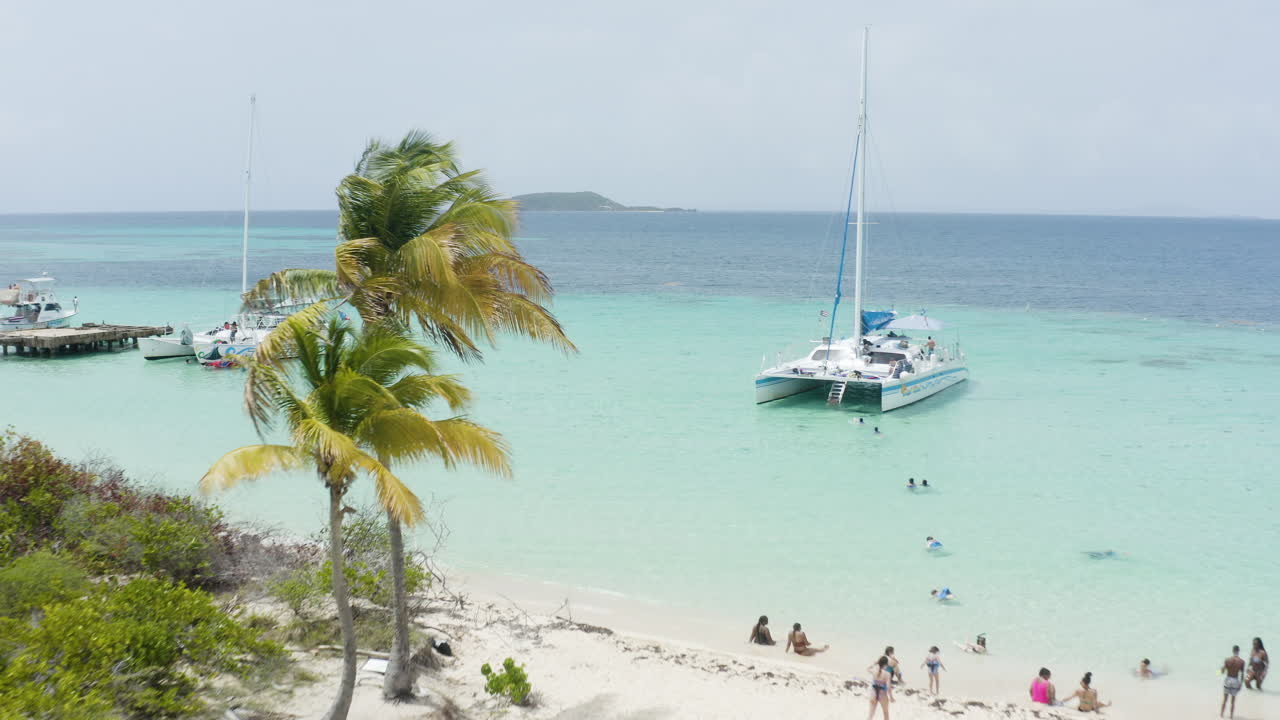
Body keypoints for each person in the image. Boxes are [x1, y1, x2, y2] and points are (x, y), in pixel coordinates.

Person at [866, 655, 893, 720]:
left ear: (879, 663)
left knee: (870, 715)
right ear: (886, 664)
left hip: (873, 694)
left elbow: (867, 668)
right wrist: (891, 697)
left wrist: (875, 663)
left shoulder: (874, 671)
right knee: (886, 713)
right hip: (882, 695)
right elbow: (888, 687)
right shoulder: (887, 674)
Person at [1222, 645, 1245, 718]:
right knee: (1233, 701)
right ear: (1238, 651)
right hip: (1235, 680)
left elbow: (1222, 671)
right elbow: (1242, 674)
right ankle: (1231, 717)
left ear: (1233, 650)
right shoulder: (1242, 661)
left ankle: (1221, 715)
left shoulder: (1227, 660)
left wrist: (1217, 671)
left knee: (1225, 699)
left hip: (1228, 679)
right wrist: (1241, 684)